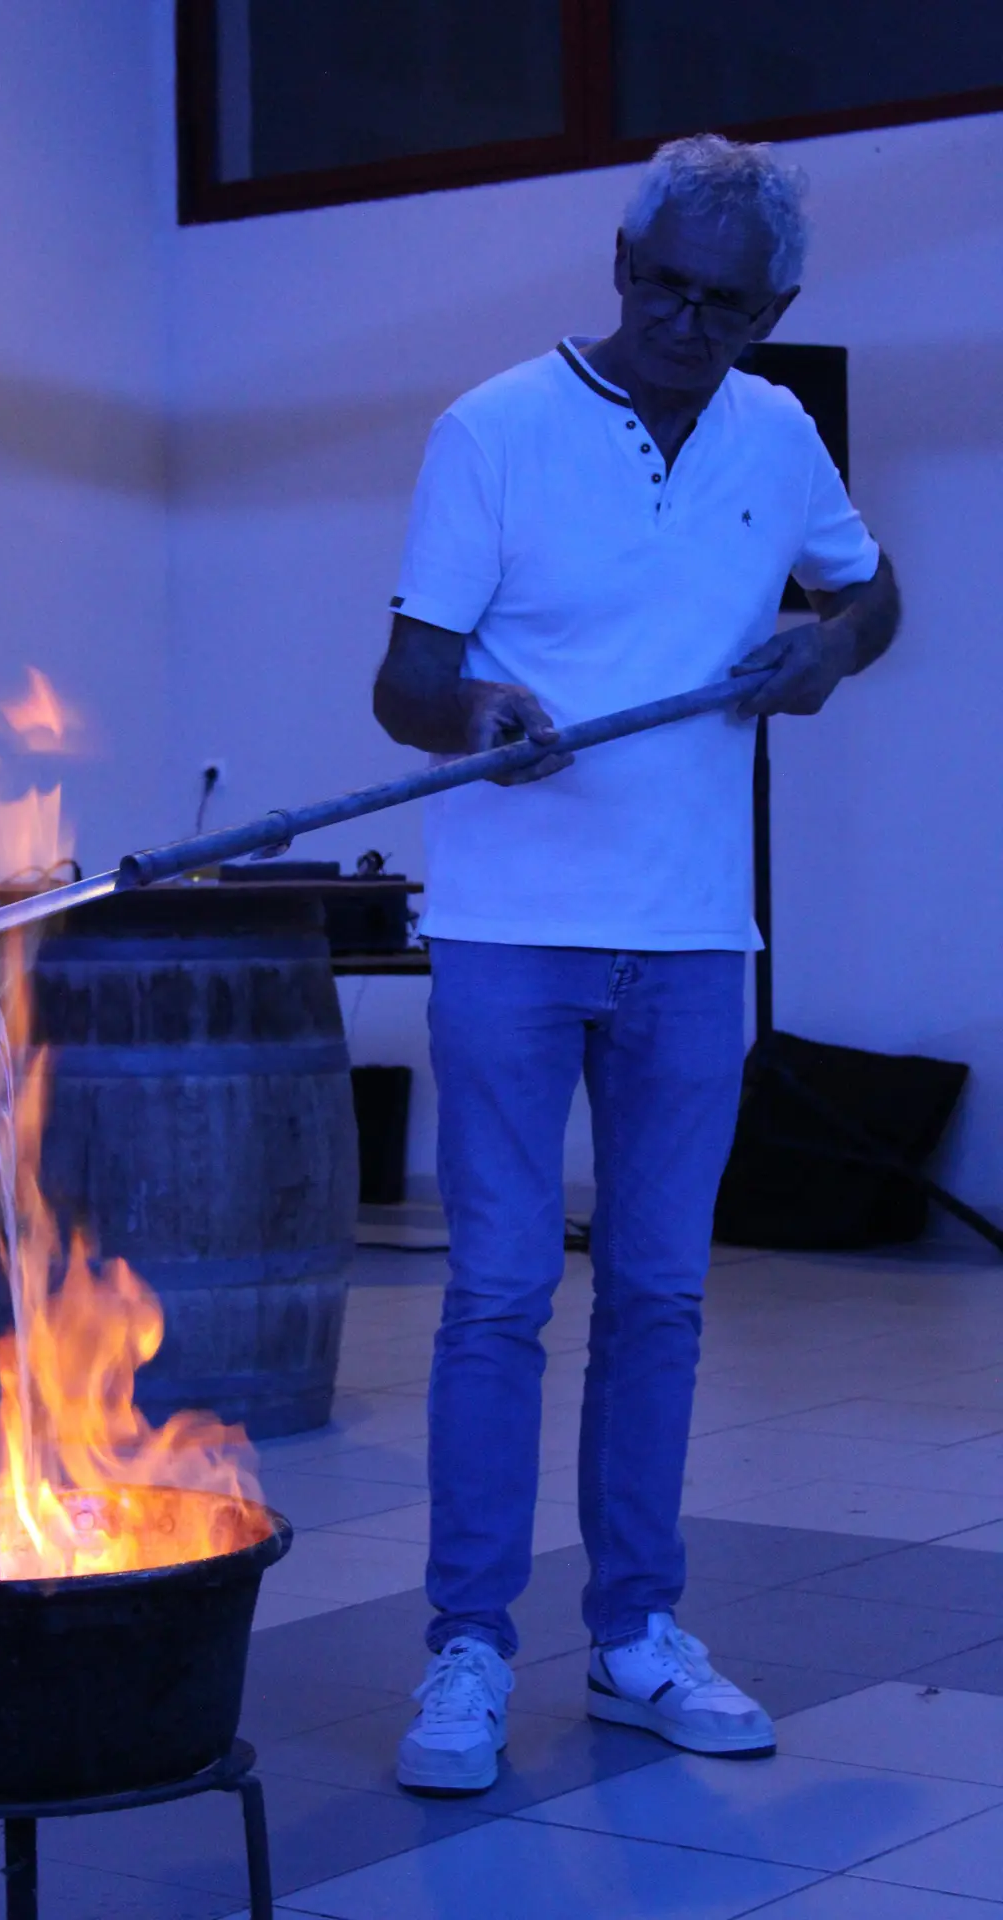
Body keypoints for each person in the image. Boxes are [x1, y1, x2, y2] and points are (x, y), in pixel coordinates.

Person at [373, 133, 900, 1795]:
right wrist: (476, 710)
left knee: (661, 1296)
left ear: (773, 310)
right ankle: (468, 1647)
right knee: (499, 1293)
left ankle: (634, 1637)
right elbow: (404, 681)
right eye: (662, 284)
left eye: (722, 304)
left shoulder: (779, 430)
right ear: (620, 262)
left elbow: (873, 595)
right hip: (509, 929)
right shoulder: (494, 429)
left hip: (693, 936)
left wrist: (825, 652)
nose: (684, 320)